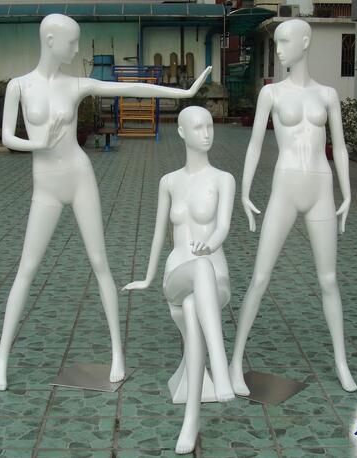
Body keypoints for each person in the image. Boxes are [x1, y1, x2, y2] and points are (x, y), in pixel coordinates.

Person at [0, 13, 212, 392]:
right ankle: (1, 362)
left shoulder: (76, 85)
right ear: (50, 40)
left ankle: (117, 354)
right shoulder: (19, 86)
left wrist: (185, 93)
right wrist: (37, 143)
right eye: (72, 42)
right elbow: (7, 137)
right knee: (26, 269)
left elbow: (133, 88)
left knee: (100, 263)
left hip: (79, 177)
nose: (77, 48)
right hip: (45, 185)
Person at [228, 19, 357, 395]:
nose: (279, 49)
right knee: (260, 277)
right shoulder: (271, 94)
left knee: (328, 280)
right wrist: (244, 191)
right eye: (277, 42)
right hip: (284, 188)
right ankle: (235, 361)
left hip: (321, 187)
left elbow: (341, 148)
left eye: (285, 41)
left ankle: (341, 362)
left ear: (305, 42)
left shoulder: (328, 95)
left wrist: (348, 193)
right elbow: (254, 145)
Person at [123, 106, 235, 454]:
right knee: (195, 275)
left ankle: (191, 420)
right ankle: (220, 366)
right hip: (178, 273)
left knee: (193, 299)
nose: (207, 133)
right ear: (182, 132)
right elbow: (159, 235)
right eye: (198, 127)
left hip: (215, 277)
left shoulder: (223, 179)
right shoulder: (169, 182)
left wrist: (209, 245)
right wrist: (147, 277)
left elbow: (223, 227)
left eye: (210, 125)